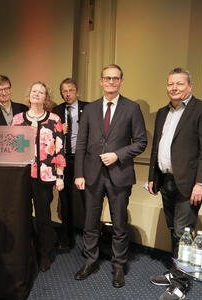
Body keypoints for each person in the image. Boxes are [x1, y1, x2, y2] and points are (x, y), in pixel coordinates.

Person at [74, 64, 147, 288]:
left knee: (119, 224)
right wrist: (78, 173)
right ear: (101, 81)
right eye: (107, 78)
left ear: (121, 82)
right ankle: (90, 261)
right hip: (92, 175)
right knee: (90, 223)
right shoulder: (90, 109)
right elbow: (81, 144)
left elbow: (141, 142)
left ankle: (118, 267)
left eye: (116, 79)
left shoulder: (132, 108)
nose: (111, 82)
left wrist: (118, 154)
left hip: (119, 175)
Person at [148, 68, 202, 287]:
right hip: (166, 180)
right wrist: (153, 176)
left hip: (190, 184)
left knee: (183, 231)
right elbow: (157, 147)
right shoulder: (163, 112)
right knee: (174, 230)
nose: (174, 88)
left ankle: (181, 282)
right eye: (170, 84)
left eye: (179, 84)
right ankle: (176, 271)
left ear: (190, 86)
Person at [11, 81, 66, 272]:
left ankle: (44, 254)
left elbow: (59, 150)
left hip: (45, 177)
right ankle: (25, 251)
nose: (37, 94)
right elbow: (11, 149)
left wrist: (60, 176)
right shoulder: (17, 119)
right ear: (29, 95)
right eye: (34, 91)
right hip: (22, 176)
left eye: (41, 92)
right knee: (22, 216)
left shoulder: (54, 120)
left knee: (43, 217)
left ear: (45, 98)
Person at [52, 78, 88, 250]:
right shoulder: (56, 110)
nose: (67, 94)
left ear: (77, 92)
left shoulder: (88, 108)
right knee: (65, 201)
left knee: (87, 199)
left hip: (84, 160)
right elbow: (48, 136)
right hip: (63, 160)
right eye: (64, 91)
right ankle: (66, 239)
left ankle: (89, 242)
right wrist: (58, 131)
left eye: (71, 90)